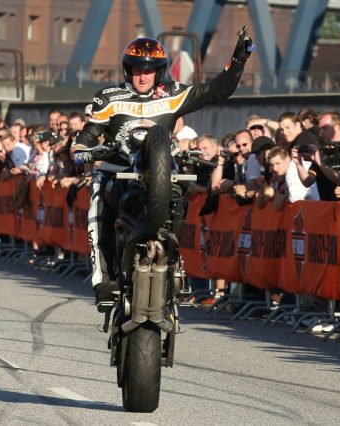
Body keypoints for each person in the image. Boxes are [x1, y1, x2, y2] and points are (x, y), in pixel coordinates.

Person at [72, 30, 254, 303]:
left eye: (150, 70)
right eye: (136, 70)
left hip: (161, 172)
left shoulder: (173, 93)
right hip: (117, 170)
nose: (143, 76)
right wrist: (80, 149)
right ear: (127, 70)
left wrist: (238, 60)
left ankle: (173, 259)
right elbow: (89, 132)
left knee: (182, 183)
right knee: (97, 197)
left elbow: (214, 90)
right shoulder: (108, 97)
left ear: (160, 71)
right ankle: (103, 279)